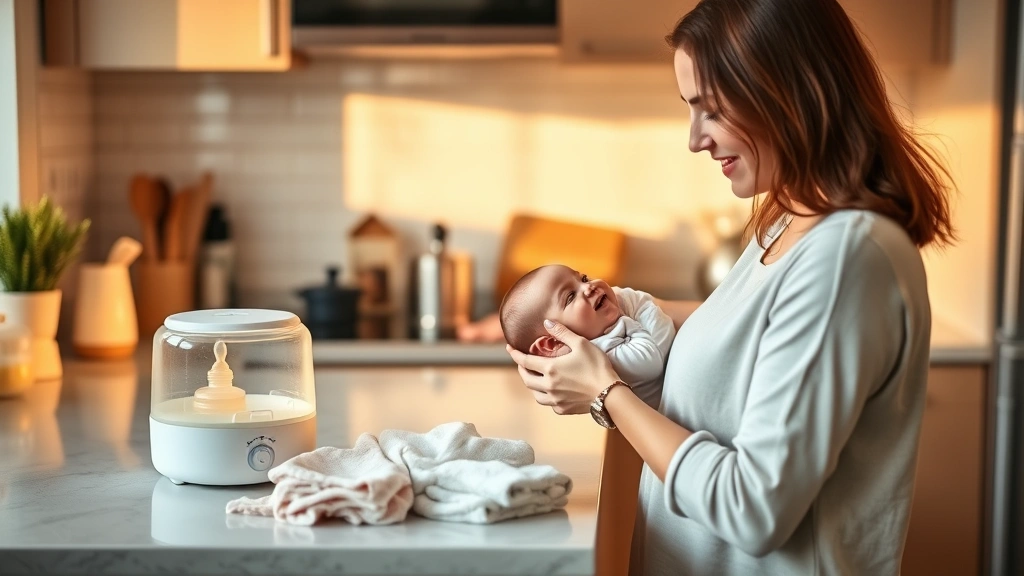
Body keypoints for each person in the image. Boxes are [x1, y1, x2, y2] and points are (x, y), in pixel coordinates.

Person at [504, 0, 956, 574]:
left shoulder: (847, 255)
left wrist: (605, 393)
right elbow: (742, 325)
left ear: (790, 91)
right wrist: (610, 331)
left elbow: (753, 509)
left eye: (711, 109)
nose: (696, 139)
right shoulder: (787, 217)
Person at [498, 264, 675, 409]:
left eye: (583, 278)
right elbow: (652, 359)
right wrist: (625, 318)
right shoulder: (598, 357)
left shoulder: (606, 331)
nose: (588, 287)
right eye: (570, 297)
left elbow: (645, 304)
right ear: (553, 343)